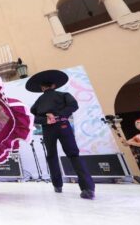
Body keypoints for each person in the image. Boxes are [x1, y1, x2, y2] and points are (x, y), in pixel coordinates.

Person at [27, 69, 95, 200]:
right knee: (74, 154)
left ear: (42, 88)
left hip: (48, 129)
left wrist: (46, 119)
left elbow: (31, 116)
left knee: (51, 155)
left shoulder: (39, 101)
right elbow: (74, 106)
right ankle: (87, 188)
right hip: (63, 126)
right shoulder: (64, 95)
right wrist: (59, 115)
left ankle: (57, 185)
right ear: (54, 86)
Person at [121, 119, 140, 183]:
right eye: (135, 123)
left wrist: (132, 143)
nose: (136, 123)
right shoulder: (138, 136)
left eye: (138, 122)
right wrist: (123, 140)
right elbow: (126, 144)